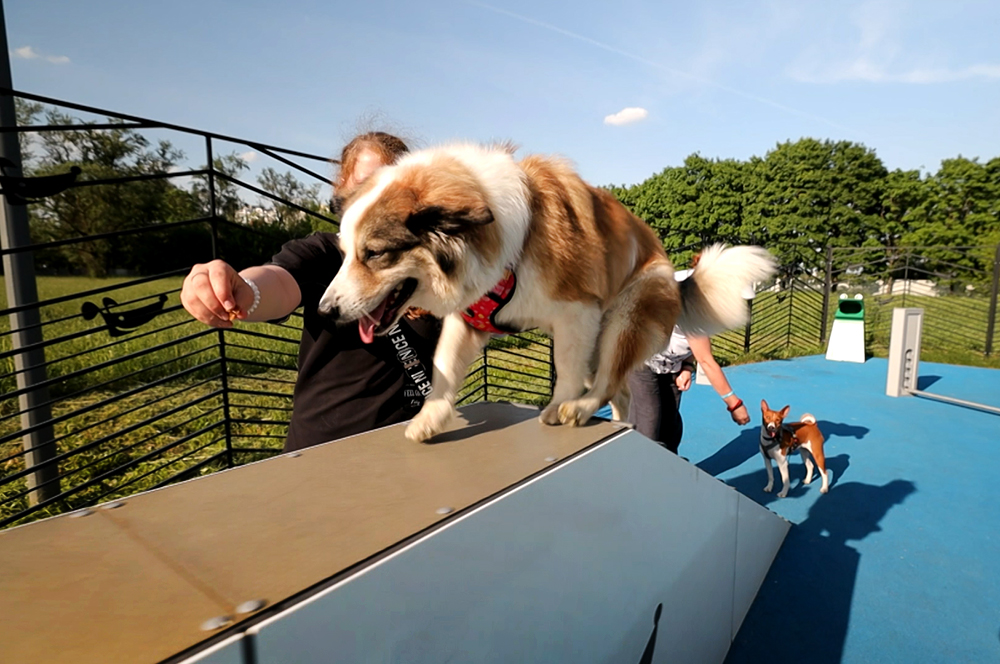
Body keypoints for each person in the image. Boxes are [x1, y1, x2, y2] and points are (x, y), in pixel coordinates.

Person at [180, 132, 441, 452]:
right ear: (342, 189)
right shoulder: (325, 252)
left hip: (414, 448)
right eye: (364, 187)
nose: (374, 200)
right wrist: (244, 290)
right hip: (325, 453)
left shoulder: (435, 269)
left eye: (388, 187)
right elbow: (278, 281)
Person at [626, 266, 752, 455]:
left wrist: (686, 366)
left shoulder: (705, 298)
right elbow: (707, 361)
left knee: (671, 426)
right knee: (649, 423)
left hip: (670, 362)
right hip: (641, 359)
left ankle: (668, 470)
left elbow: (695, 345)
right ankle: (638, 474)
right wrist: (734, 404)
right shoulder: (688, 299)